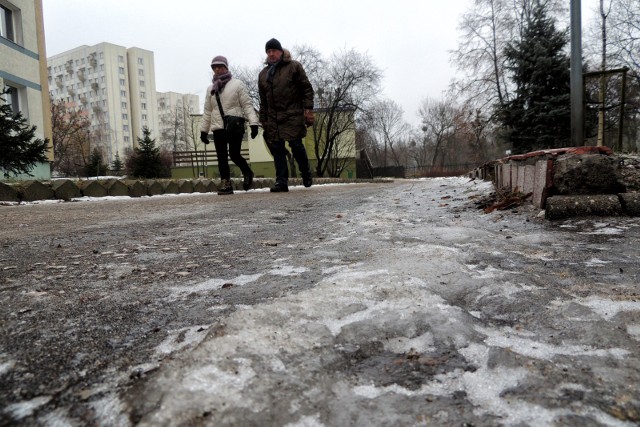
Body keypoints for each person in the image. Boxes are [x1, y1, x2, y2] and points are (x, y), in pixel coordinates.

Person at [258, 38, 315, 193]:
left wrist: (308, 110)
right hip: (273, 117)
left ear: (281, 51)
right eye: (268, 51)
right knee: (277, 149)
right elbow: (263, 101)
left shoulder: (294, 67)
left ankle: (306, 172)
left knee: (296, 145)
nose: (271, 54)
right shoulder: (263, 75)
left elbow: (306, 89)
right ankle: (281, 181)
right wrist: (263, 119)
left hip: (293, 114)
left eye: (274, 51)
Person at [200, 55, 259, 195]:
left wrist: (254, 123)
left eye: (220, 66)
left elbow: (247, 105)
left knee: (234, 154)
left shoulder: (237, 84)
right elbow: (208, 111)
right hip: (218, 127)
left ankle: (247, 172)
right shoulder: (210, 89)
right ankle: (226, 183)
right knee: (221, 156)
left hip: (234, 124)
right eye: (215, 67)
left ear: (226, 67)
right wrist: (203, 130)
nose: (218, 69)